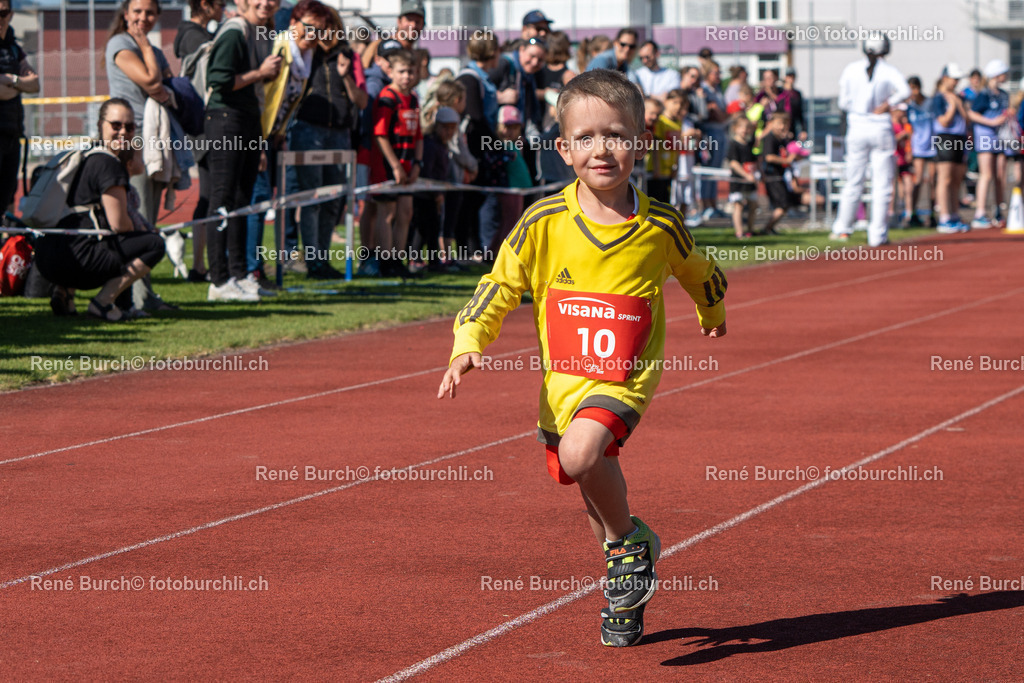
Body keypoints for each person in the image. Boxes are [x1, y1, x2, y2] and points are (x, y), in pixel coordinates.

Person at [437, 69, 727, 648]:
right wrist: (468, 342)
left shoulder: (661, 224)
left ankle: (632, 544)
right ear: (564, 149)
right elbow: (499, 286)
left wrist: (711, 311)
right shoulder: (542, 221)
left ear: (639, 143)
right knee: (588, 481)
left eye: (616, 135)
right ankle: (624, 574)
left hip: (625, 377)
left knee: (582, 453)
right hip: (562, 386)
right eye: (586, 137)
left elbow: (700, 271)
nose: (602, 149)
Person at [33, 99, 166, 321]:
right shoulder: (109, 164)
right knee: (153, 244)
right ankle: (103, 302)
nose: (123, 132)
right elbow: (119, 224)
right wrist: (144, 230)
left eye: (129, 127)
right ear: (100, 125)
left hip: (46, 257)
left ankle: (65, 294)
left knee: (110, 237)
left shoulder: (83, 155)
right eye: (116, 125)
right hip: (77, 261)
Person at [204, 0, 282, 302]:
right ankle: (218, 280)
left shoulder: (262, 33)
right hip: (226, 118)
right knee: (222, 198)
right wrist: (259, 73)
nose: (267, 4)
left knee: (241, 200)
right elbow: (219, 80)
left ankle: (239, 275)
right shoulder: (235, 31)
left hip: (249, 119)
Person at [287, 7, 367, 280]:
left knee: (334, 200)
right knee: (312, 199)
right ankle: (313, 262)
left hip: (340, 133)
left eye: (330, 26)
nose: (325, 33)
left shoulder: (349, 56)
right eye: (320, 28)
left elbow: (362, 101)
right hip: (308, 130)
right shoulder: (306, 53)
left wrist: (345, 75)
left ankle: (322, 259)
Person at [830, 35, 910, 246]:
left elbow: (843, 102)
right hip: (880, 127)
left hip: (857, 126)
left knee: (853, 180)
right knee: (882, 184)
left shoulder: (851, 69)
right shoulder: (889, 70)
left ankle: (842, 228)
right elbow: (905, 91)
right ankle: (877, 235)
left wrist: (859, 109)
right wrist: (887, 104)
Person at [174, 0, 224, 283]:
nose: (224, 7)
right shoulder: (194, 37)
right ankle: (203, 265)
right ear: (205, 5)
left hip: (203, 128)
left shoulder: (198, 35)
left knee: (210, 197)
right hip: (205, 128)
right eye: (221, 3)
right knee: (210, 197)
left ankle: (202, 265)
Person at [371, 48, 422, 278]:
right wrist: (395, 165)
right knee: (387, 212)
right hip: (387, 165)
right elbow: (380, 134)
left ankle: (398, 259)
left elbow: (418, 135)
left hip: (408, 164)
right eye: (402, 71)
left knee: (405, 212)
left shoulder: (413, 98)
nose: (407, 76)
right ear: (391, 71)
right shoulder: (387, 97)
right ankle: (385, 261)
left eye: (411, 71)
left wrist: (417, 163)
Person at [0, 0, 39, 214]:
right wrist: (20, 84)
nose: (0, 19)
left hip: (12, 135)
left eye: (3, 13)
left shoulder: (14, 48)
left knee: (8, 198)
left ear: (11, 14)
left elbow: (35, 84)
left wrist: (11, 81)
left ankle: (7, 235)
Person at [968, 59, 1011, 229]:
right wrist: (991, 122)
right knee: (986, 175)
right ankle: (980, 212)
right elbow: (972, 114)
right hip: (985, 138)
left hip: (1001, 139)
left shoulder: (1003, 94)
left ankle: (999, 210)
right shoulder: (984, 94)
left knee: (1000, 175)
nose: (1006, 76)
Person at [931, 64, 970, 233]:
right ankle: (944, 216)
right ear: (945, 78)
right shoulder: (939, 98)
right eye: (954, 79)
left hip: (960, 138)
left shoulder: (959, 97)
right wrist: (953, 106)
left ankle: (954, 214)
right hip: (945, 138)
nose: (956, 82)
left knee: (956, 179)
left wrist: (958, 103)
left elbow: (967, 119)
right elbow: (944, 121)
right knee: (945, 178)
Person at [906, 76, 937, 227]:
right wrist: (909, 148)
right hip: (918, 148)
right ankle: (913, 213)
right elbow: (909, 129)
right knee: (917, 180)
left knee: (932, 181)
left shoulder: (930, 103)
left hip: (932, 147)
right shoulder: (910, 107)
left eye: (913, 88)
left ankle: (932, 214)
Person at [360, 0, 423, 70]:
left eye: (418, 22)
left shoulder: (417, 56)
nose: (413, 25)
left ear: (423, 25)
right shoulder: (379, 46)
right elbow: (363, 70)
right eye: (409, 20)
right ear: (399, 21)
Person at [760, 112, 792, 234]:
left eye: (785, 124)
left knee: (784, 204)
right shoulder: (770, 138)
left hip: (780, 175)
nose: (782, 127)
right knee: (783, 204)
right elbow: (769, 157)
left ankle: (769, 228)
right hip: (772, 176)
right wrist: (786, 161)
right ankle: (767, 228)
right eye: (779, 123)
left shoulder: (781, 140)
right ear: (771, 124)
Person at [726, 116, 758, 238]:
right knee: (738, 205)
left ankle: (750, 230)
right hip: (739, 181)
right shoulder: (733, 144)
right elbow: (733, 163)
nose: (744, 130)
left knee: (753, 205)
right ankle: (739, 232)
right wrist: (746, 175)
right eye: (741, 127)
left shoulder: (749, 144)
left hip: (750, 182)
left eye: (747, 127)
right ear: (735, 128)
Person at [778, 67, 806, 139]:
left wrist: (803, 129)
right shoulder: (779, 91)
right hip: (779, 126)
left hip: (792, 126)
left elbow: (800, 113)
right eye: (789, 76)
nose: (791, 79)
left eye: (793, 77)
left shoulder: (796, 94)